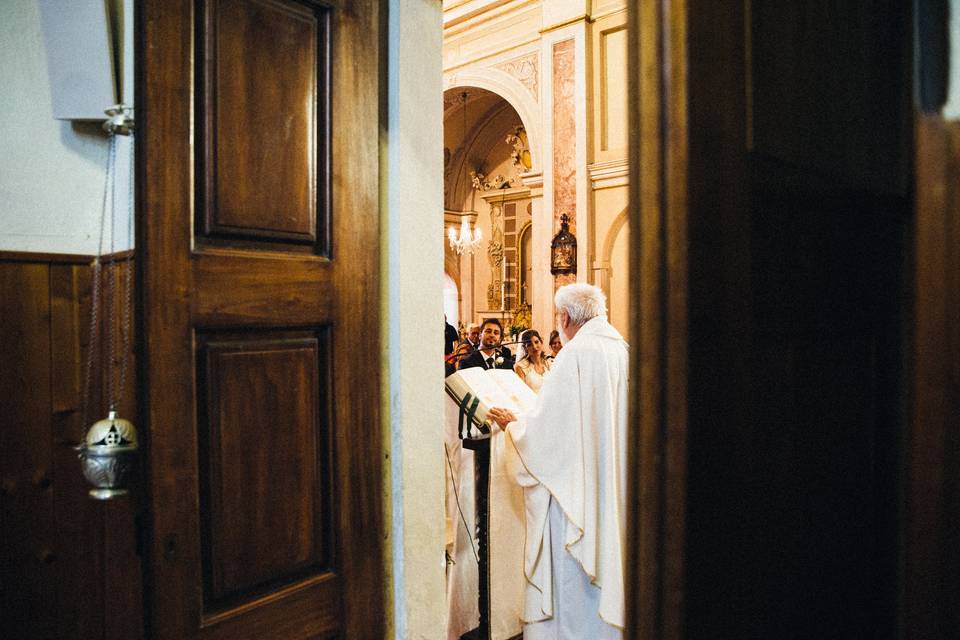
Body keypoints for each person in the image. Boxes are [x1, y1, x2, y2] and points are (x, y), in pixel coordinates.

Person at [488, 284, 628, 639]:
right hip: (611, 478)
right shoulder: (620, 349)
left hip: (575, 490)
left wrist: (514, 426)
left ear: (564, 318)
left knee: (574, 584)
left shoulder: (575, 354)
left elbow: (547, 434)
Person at [513, 329, 551, 393]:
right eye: (529, 345)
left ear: (541, 342)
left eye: (536, 342)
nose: (534, 347)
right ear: (525, 348)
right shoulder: (520, 367)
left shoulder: (549, 363)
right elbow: (521, 392)